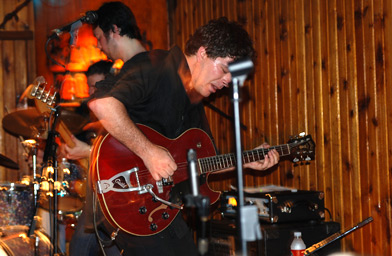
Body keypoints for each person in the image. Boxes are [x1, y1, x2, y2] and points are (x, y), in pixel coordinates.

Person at [88, 2, 280, 255]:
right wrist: (148, 152)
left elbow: (204, 162)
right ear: (202, 52)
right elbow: (103, 104)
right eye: (224, 70)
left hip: (156, 206)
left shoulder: (195, 99)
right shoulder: (155, 66)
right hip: (123, 194)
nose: (227, 82)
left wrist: (246, 161)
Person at [64, 60, 115, 256]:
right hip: (95, 196)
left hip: (116, 196)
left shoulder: (121, 109)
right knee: (78, 249)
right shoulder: (88, 116)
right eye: (89, 86)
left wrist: (88, 151)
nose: (92, 91)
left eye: (97, 85)